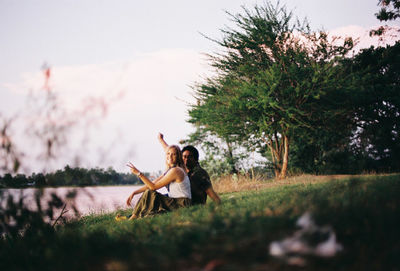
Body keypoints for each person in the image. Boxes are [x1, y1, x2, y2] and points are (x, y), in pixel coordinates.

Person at [118, 144, 191, 221]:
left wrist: (139, 173)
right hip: (174, 201)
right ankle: (134, 217)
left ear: (178, 157)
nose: (170, 156)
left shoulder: (176, 171)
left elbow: (153, 187)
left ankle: (136, 218)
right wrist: (134, 192)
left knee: (150, 192)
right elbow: (151, 184)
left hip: (181, 204)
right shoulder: (170, 170)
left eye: (174, 154)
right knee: (149, 192)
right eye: (168, 153)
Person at [158, 133, 221, 205]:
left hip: (192, 203)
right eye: (184, 156)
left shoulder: (199, 173)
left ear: (196, 159)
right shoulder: (182, 169)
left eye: (190, 157)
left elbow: (211, 193)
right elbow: (169, 151)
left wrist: (218, 206)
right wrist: (161, 140)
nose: (186, 159)